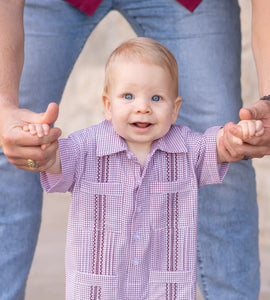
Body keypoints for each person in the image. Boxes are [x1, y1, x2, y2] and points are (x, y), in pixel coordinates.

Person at [1, 0, 270, 299]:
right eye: (128, 96)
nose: (142, 107)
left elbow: (221, 144)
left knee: (226, 136)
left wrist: (238, 136)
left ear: (175, 109)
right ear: (106, 105)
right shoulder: (86, 146)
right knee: (14, 144)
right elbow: (51, 158)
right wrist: (38, 141)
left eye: (156, 98)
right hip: (100, 289)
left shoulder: (186, 147)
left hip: (163, 289)